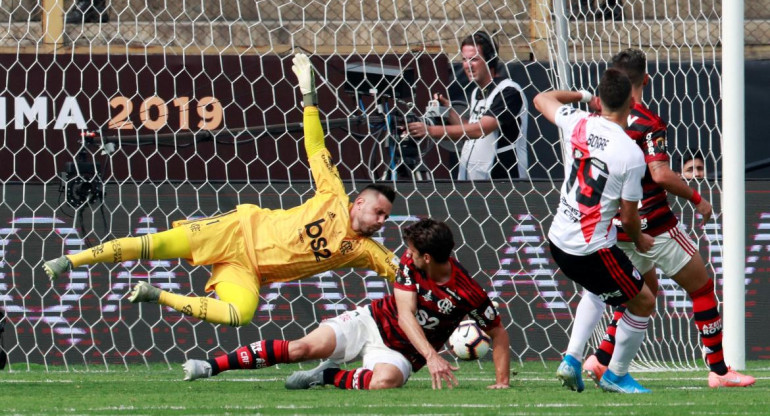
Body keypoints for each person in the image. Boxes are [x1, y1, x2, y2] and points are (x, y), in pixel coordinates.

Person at [43, 53, 400, 327]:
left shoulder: (366, 251)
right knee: (154, 245)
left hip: (249, 270)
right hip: (235, 231)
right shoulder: (332, 195)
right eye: (379, 212)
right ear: (358, 203)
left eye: (385, 216)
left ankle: (157, 295)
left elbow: (406, 273)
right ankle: (70, 260)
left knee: (239, 314)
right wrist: (309, 94)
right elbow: (315, 145)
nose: (382, 221)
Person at [570, 49, 755, 388]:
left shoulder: (595, 120)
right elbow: (659, 174)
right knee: (702, 287)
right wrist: (697, 198)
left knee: (643, 293)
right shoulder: (648, 121)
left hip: (617, 228)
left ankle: (599, 359)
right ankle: (719, 370)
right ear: (646, 79)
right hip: (656, 226)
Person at [181, 218, 511, 391]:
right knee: (300, 349)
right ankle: (210, 366)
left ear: (428, 257)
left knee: (385, 382)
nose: (405, 256)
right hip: (371, 322)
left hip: (400, 353)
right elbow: (407, 316)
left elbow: (497, 332)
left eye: (411, 252)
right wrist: (432, 356)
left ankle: (326, 378)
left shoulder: (469, 292)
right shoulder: (410, 268)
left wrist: (502, 380)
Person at [534, 68, 657, 393]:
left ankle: (572, 360)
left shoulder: (580, 122)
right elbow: (629, 218)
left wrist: (583, 97)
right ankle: (615, 375)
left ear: (599, 99)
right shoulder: (631, 154)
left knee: (596, 290)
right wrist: (641, 237)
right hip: (590, 249)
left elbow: (541, 98)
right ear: (633, 101)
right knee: (643, 301)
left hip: (559, 240)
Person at [406, 31, 529, 181]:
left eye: (474, 59)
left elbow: (480, 130)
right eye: (464, 60)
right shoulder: (477, 92)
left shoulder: (508, 91)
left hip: (503, 179)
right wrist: (450, 111)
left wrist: (430, 130)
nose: (467, 65)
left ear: (490, 60)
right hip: (475, 178)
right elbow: (471, 129)